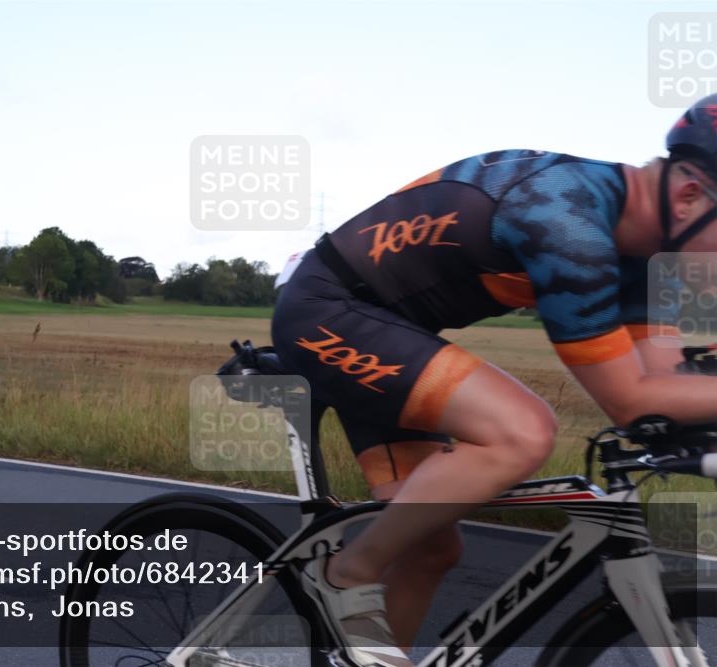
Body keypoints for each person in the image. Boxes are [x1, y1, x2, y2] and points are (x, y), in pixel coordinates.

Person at [270, 94, 717, 667]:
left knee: (429, 548)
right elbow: (630, 401)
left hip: (388, 330)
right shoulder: (570, 223)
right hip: (328, 312)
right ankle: (345, 574)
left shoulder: (641, 251)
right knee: (522, 431)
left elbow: (666, 383)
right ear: (688, 197)